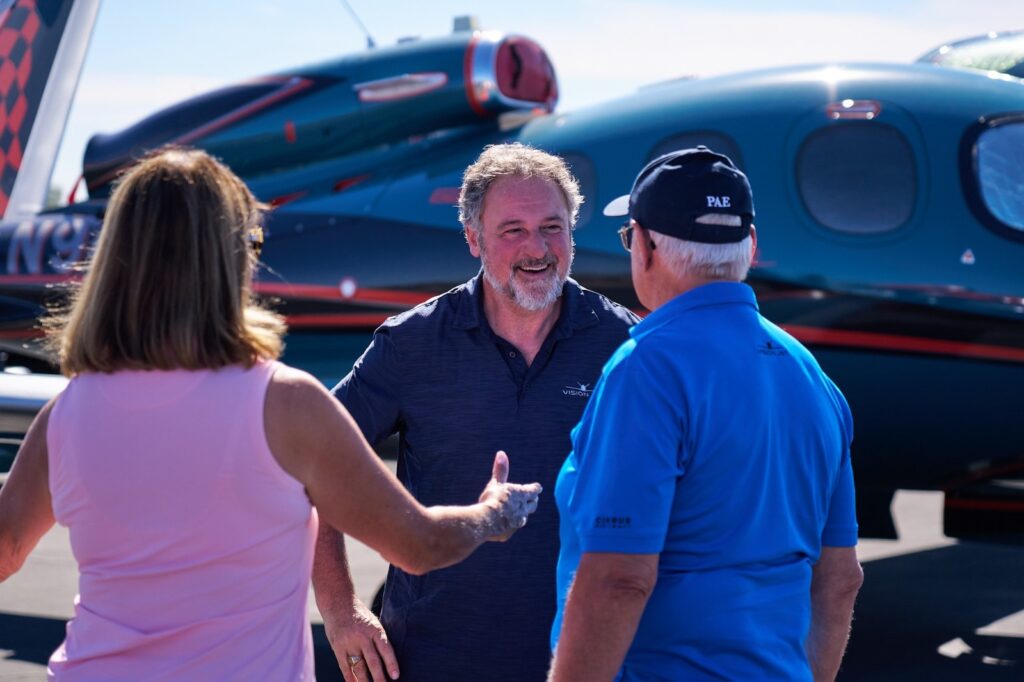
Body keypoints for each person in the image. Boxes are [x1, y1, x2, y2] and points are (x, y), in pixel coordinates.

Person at [0, 148, 542, 680]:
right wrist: (493, 515)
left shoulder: (65, 415)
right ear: (232, 259)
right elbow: (418, 544)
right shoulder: (284, 405)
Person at [313, 143, 639, 682]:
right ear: (473, 238)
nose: (537, 248)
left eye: (552, 227)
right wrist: (341, 608)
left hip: (589, 664)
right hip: (432, 662)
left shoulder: (625, 346)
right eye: (513, 229)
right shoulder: (411, 344)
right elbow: (313, 466)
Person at [548, 147, 864, 681]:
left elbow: (619, 578)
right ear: (752, 247)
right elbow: (839, 580)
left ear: (645, 247)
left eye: (629, 237)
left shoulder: (646, 369)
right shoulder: (813, 378)